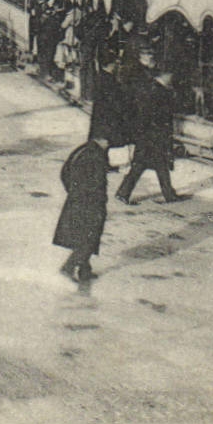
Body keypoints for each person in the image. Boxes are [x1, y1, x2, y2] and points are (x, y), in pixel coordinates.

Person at [116, 68, 182, 204]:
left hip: (147, 135)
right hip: (154, 135)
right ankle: (168, 194)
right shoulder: (160, 92)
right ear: (165, 74)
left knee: (150, 165)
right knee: (154, 165)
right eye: (171, 75)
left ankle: (124, 192)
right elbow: (160, 116)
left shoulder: (150, 88)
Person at [54, 134, 111, 285]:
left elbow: (64, 171)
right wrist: (98, 200)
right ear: (100, 139)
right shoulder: (96, 156)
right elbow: (98, 183)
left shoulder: (82, 150)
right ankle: (68, 266)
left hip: (77, 201)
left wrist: (72, 191)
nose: (108, 144)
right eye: (107, 141)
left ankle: (85, 271)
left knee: (84, 235)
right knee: (89, 238)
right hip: (90, 203)